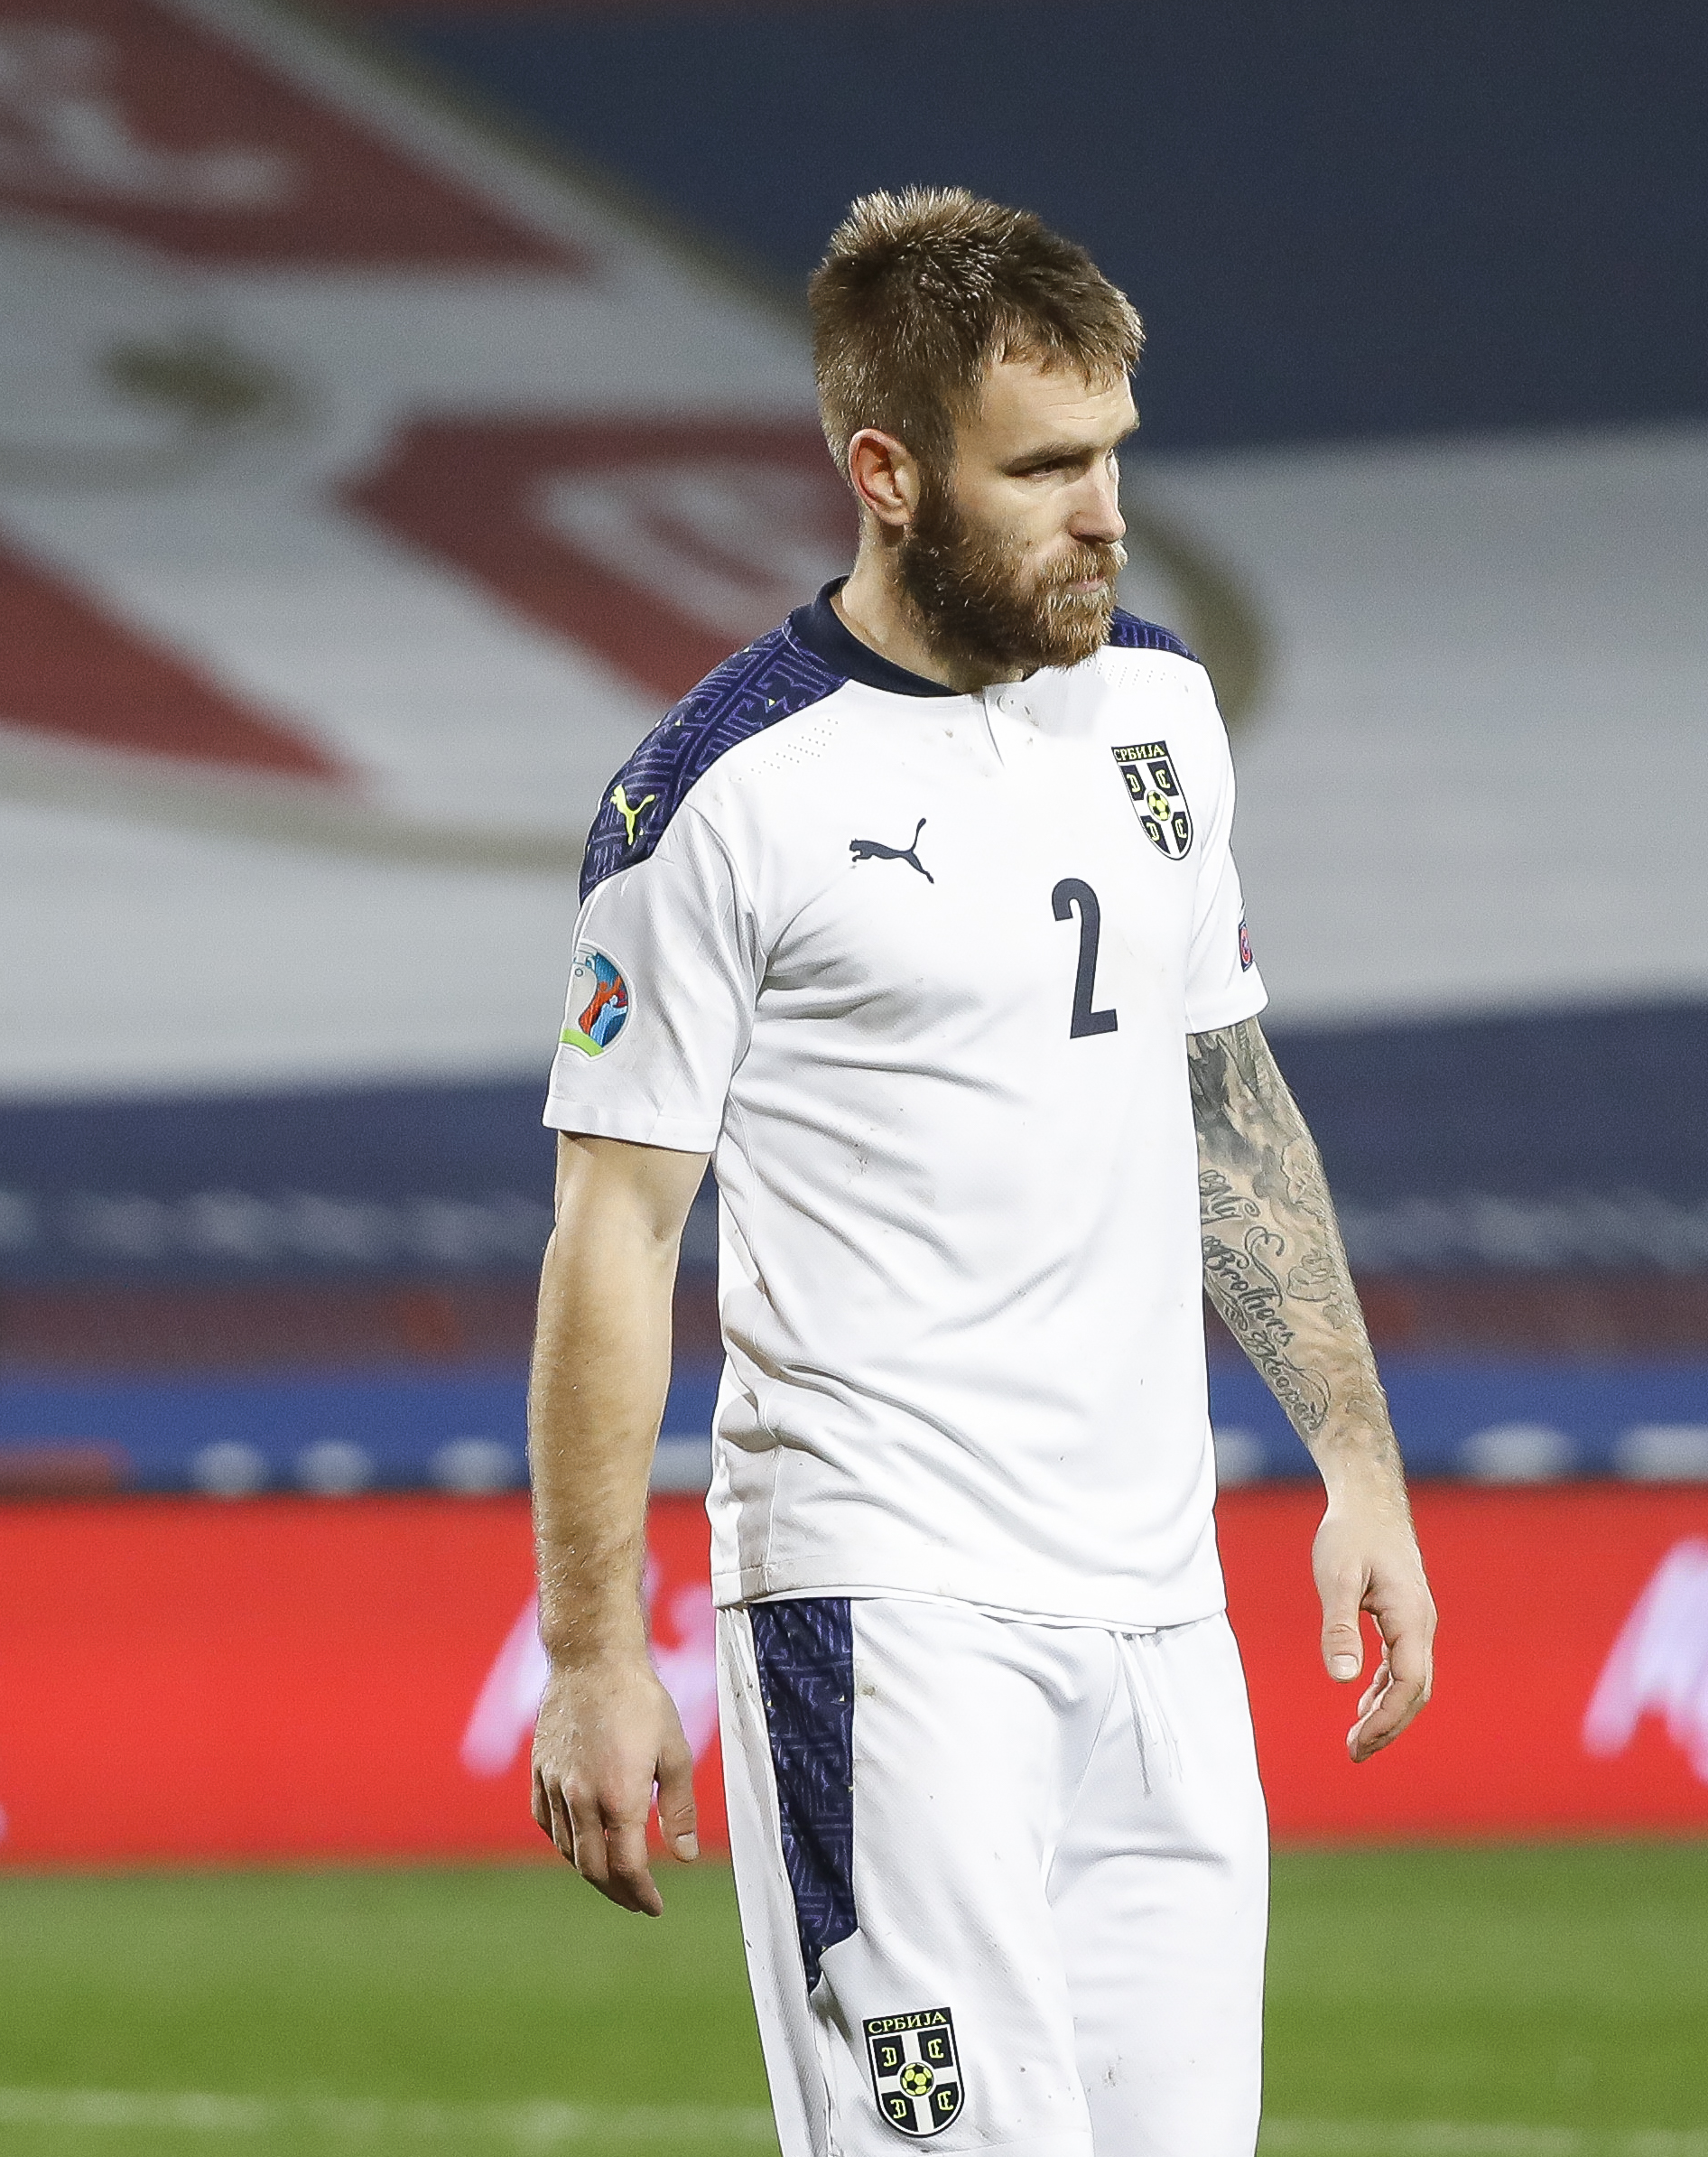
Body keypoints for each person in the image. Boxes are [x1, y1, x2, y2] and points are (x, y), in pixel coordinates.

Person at [524, 188, 1434, 2157]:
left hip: (1162, 1611)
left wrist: (1357, 1461)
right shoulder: (717, 802)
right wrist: (594, 1658)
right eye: (1045, 470)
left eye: (1115, 452)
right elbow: (615, 1239)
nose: (1108, 512)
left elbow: (1226, 1103)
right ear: (888, 474)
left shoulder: (1159, 711)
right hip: (887, 1606)